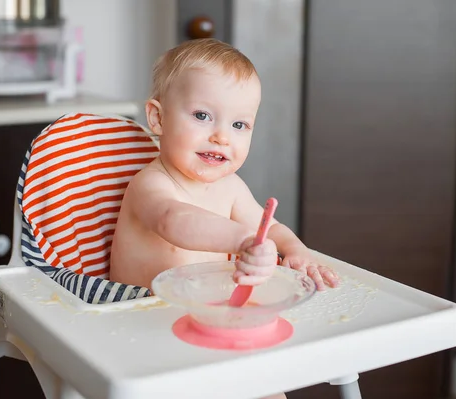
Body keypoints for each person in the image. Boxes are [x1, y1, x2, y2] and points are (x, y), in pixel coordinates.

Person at [110, 37, 338, 295]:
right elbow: (173, 220)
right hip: (135, 311)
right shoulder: (151, 183)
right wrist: (243, 241)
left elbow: (271, 228)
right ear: (158, 118)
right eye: (202, 116)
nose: (222, 137)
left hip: (201, 307)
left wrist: (296, 251)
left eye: (238, 125)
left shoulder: (231, 187)